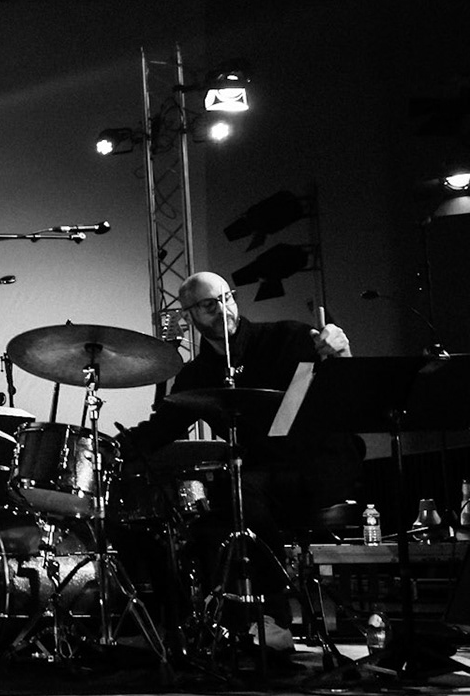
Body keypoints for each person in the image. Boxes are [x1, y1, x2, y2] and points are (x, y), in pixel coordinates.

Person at [124, 270, 360, 649]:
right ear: (188, 315)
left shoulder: (290, 337)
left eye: (226, 298)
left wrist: (342, 352)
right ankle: (216, 623)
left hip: (321, 465)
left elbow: (345, 390)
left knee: (240, 491)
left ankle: (275, 619)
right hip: (260, 478)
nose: (222, 309)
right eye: (207, 305)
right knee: (203, 513)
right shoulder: (198, 374)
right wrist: (106, 449)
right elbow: (159, 430)